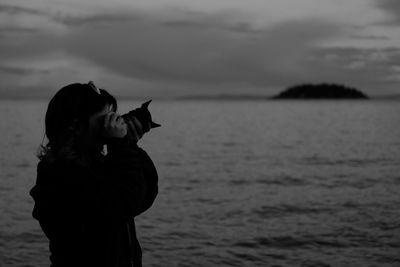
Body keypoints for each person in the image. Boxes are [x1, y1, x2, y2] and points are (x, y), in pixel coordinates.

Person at [29, 82, 158, 267]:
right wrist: (121, 147)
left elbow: (144, 197)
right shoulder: (61, 175)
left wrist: (129, 145)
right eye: (104, 119)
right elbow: (124, 204)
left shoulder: (97, 162)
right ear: (77, 126)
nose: (111, 123)